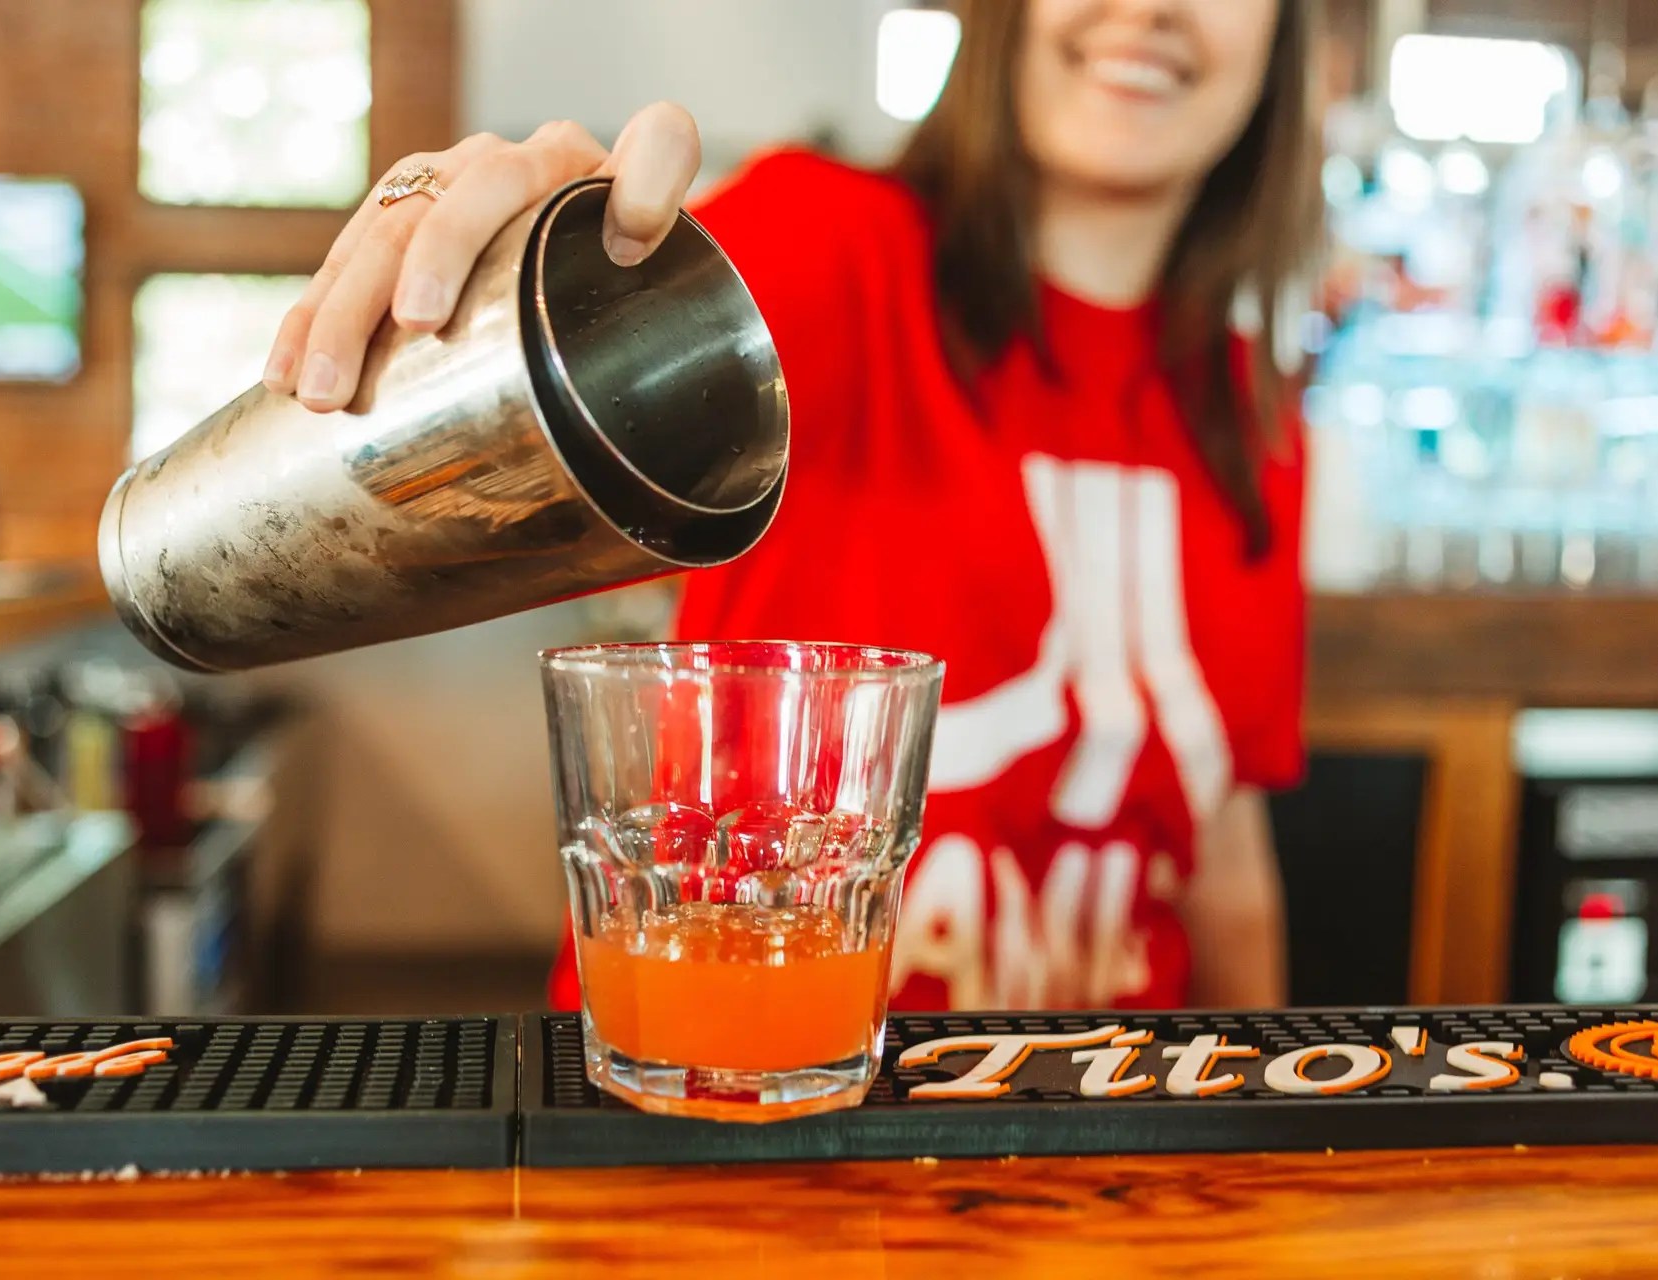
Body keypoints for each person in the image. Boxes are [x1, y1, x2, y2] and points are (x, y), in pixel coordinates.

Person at [264, 0, 1323, 1012]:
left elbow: (1222, 847)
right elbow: (521, 423)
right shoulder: (827, 241)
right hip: (724, 1087)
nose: (1150, 10)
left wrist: (1271, 1121)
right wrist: (519, 281)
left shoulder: (1258, 421)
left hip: (1102, 1111)